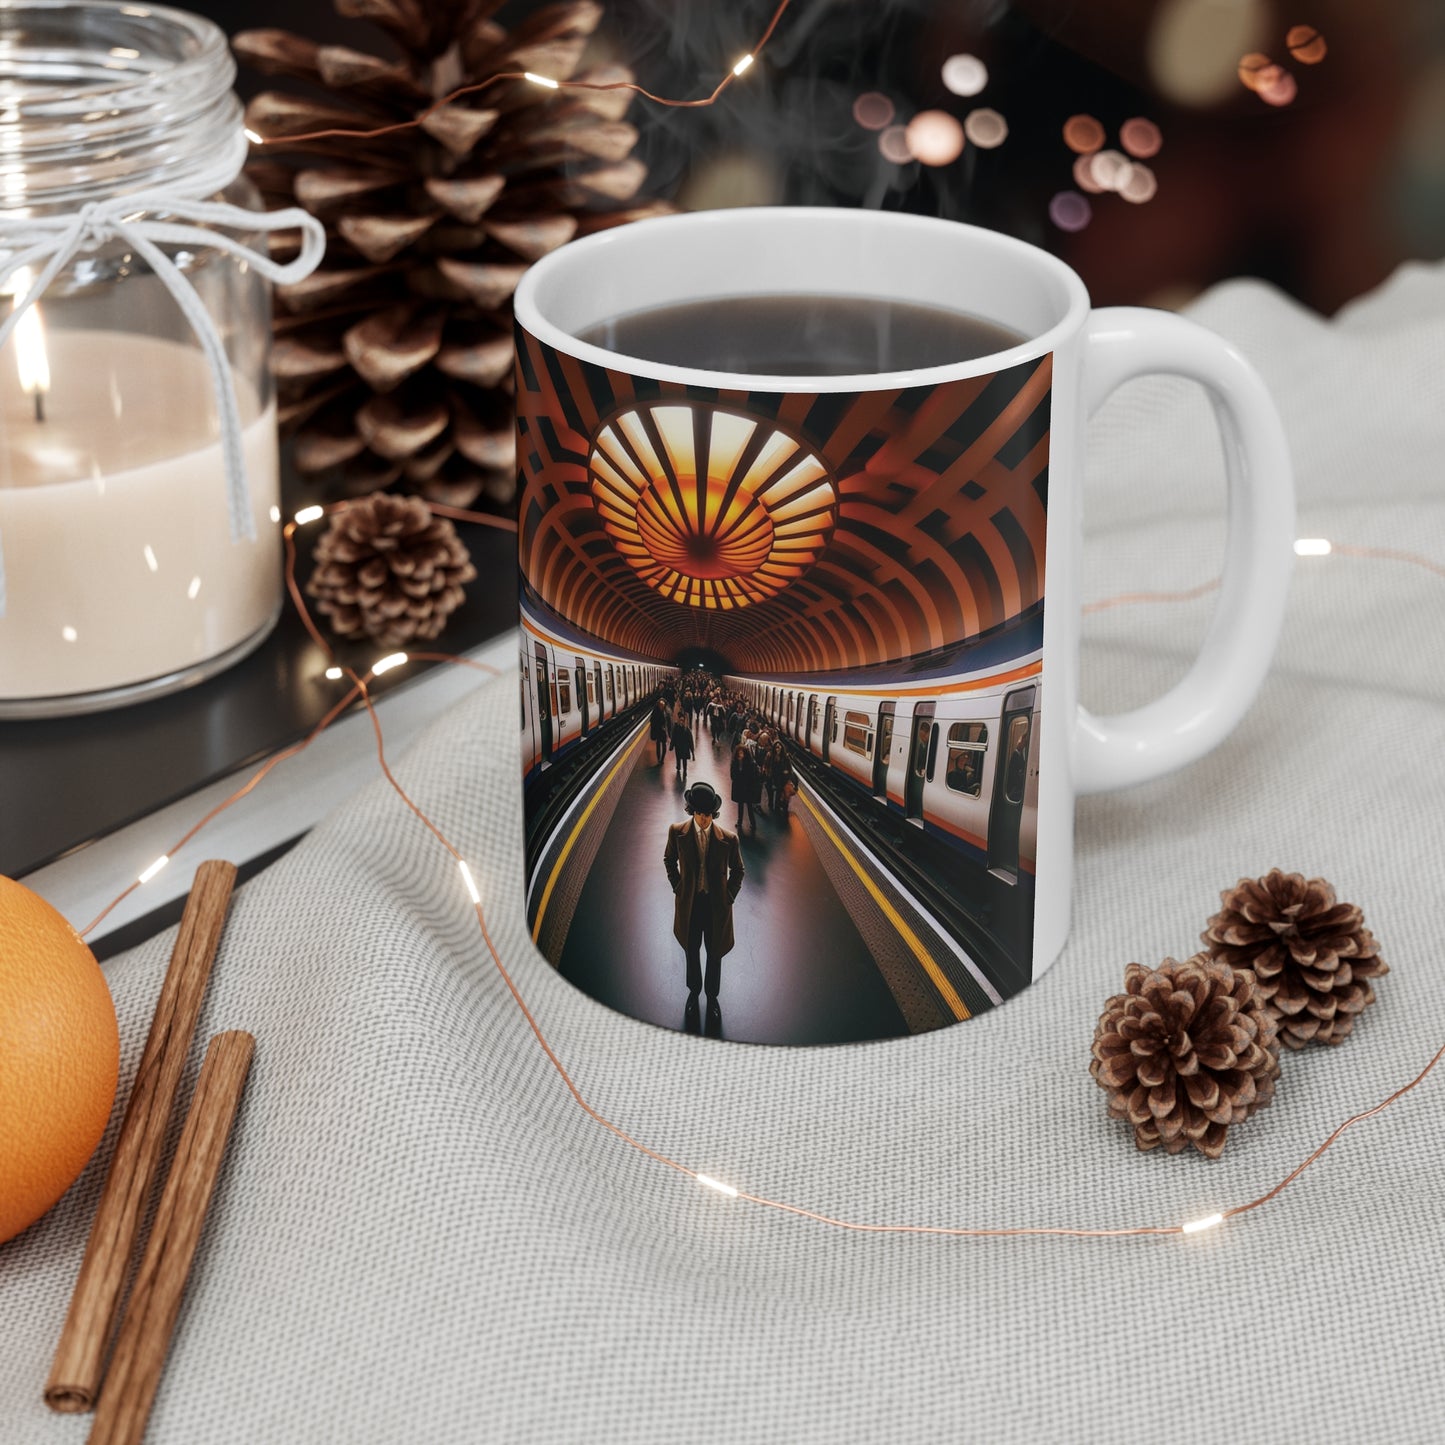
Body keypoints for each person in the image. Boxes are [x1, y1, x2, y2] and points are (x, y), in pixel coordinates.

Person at [663, 781, 744, 1015]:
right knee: (691, 950)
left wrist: (729, 895)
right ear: (692, 811)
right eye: (699, 814)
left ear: (713, 814)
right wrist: (678, 885)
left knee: (714, 952)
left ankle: (712, 997)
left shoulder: (729, 839)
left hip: (716, 907)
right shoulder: (677, 832)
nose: (703, 819)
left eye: (708, 815)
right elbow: (669, 859)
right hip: (690, 904)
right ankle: (693, 991)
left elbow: (739, 870)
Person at [730, 743, 762, 831]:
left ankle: (753, 823)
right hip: (740, 787)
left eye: (742, 753)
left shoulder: (751, 763)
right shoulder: (735, 763)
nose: (740, 755)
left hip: (747, 788)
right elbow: (732, 775)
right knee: (740, 806)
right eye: (739, 753)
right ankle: (739, 822)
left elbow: (752, 776)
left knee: (749, 806)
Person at [672, 715, 695, 783]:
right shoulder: (676, 728)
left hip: (685, 747)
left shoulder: (687, 730)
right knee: (678, 757)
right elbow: (674, 737)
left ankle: (685, 769)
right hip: (678, 747)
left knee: (684, 760)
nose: (681, 722)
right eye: (680, 720)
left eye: (682, 720)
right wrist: (672, 745)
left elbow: (691, 741)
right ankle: (678, 766)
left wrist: (692, 752)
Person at [649, 697, 670, 765]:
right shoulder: (656, 711)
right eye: (660, 705)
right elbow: (652, 721)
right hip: (658, 730)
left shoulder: (666, 711)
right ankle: (659, 759)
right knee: (658, 745)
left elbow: (669, 722)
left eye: (662, 705)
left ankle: (662, 759)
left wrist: (668, 731)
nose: (661, 706)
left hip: (663, 731)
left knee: (663, 745)